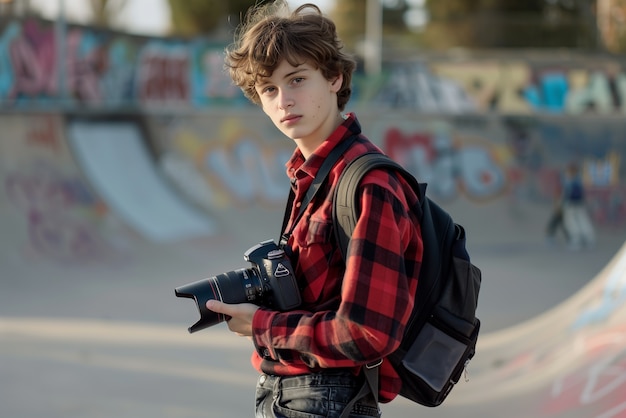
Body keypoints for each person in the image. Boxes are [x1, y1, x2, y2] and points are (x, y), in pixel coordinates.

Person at [205, 2, 423, 417]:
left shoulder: (368, 184)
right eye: (269, 89)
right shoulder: (314, 177)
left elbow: (367, 333)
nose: (284, 100)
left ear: (334, 78)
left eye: (297, 79)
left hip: (329, 399)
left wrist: (260, 326)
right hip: (289, 392)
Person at [561, 162, 595, 250]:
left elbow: (567, 194)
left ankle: (576, 240)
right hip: (580, 203)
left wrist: (564, 202)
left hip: (571, 204)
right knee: (583, 220)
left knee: (572, 223)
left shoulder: (570, 181)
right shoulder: (579, 180)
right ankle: (589, 239)